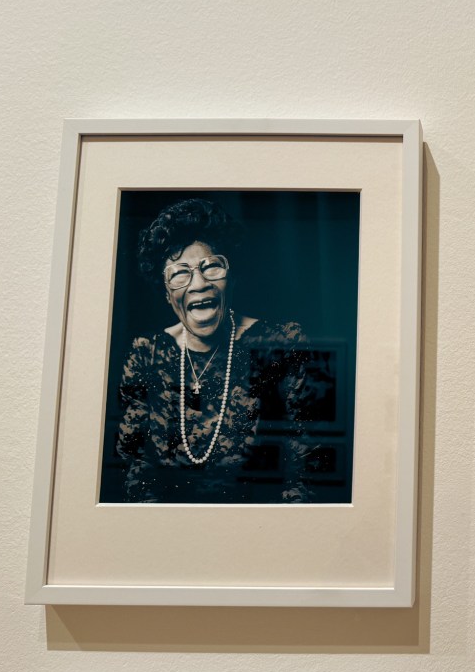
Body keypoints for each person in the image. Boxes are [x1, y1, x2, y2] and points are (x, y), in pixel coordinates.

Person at [108, 198, 318, 503]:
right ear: (166, 293)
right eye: (179, 273)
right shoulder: (146, 355)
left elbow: (306, 466)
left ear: (232, 278)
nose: (199, 284)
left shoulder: (283, 344)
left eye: (212, 266)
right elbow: (135, 468)